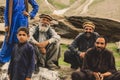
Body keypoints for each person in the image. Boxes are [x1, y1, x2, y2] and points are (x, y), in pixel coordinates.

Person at [0, 0, 39, 65]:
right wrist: (6, 24)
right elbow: (6, 11)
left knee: (21, 39)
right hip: (12, 22)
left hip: (22, 21)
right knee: (9, 39)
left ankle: (19, 59)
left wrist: (30, 14)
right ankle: (3, 60)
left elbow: (36, 6)